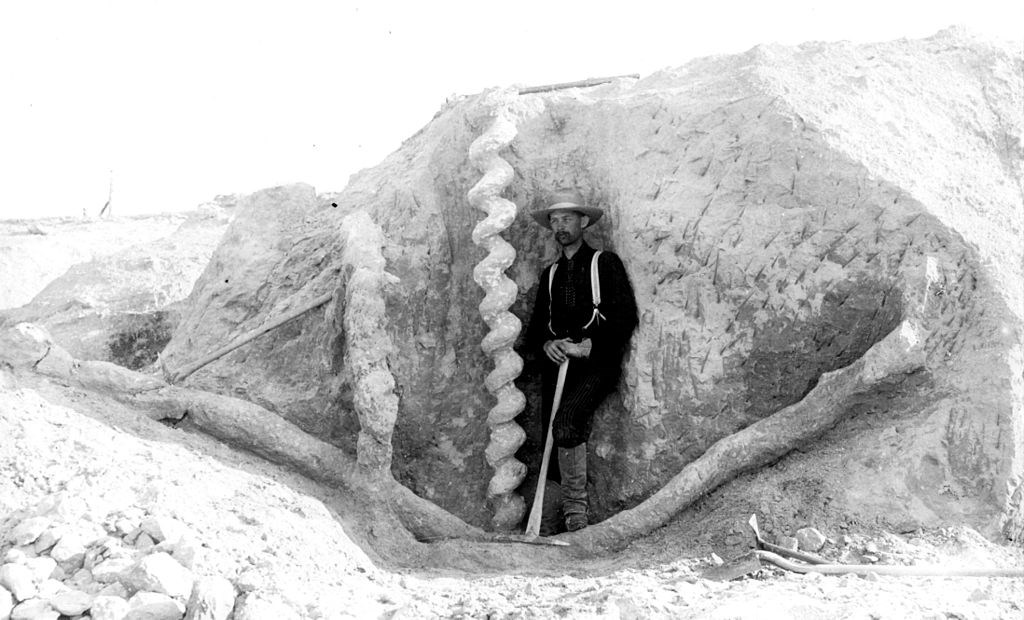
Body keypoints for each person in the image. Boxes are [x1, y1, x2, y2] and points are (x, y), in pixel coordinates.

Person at [523, 188, 638, 532]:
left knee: (568, 421)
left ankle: (577, 521)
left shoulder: (604, 263)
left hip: (596, 364)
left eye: (567, 219)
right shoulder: (551, 274)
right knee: (550, 437)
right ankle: (551, 521)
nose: (560, 226)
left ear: (583, 222)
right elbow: (536, 329)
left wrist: (586, 346)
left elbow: (624, 317)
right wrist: (548, 345)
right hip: (558, 369)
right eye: (555, 220)